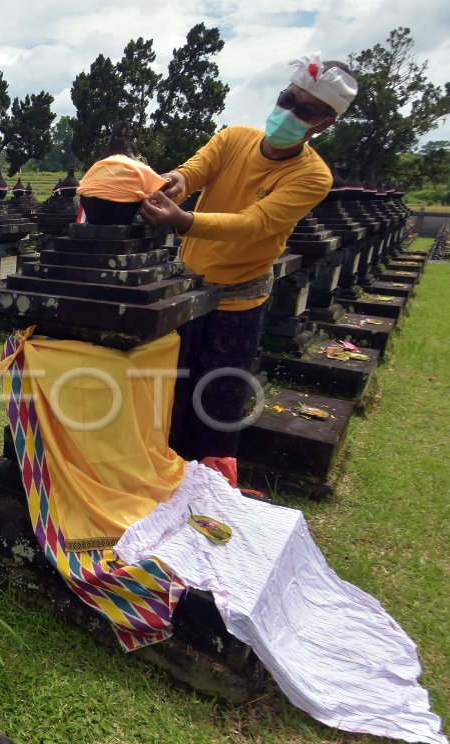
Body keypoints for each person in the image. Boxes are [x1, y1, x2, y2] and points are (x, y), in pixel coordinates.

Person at [139, 54, 358, 486]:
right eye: (287, 99)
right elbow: (193, 172)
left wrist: (182, 221)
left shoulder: (312, 176)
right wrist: (172, 183)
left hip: (239, 297)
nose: (289, 113)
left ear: (325, 123)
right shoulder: (234, 138)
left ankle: (210, 490)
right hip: (186, 288)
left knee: (218, 400)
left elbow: (255, 224)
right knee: (171, 392)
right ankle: (161, 476)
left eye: (305, 110)